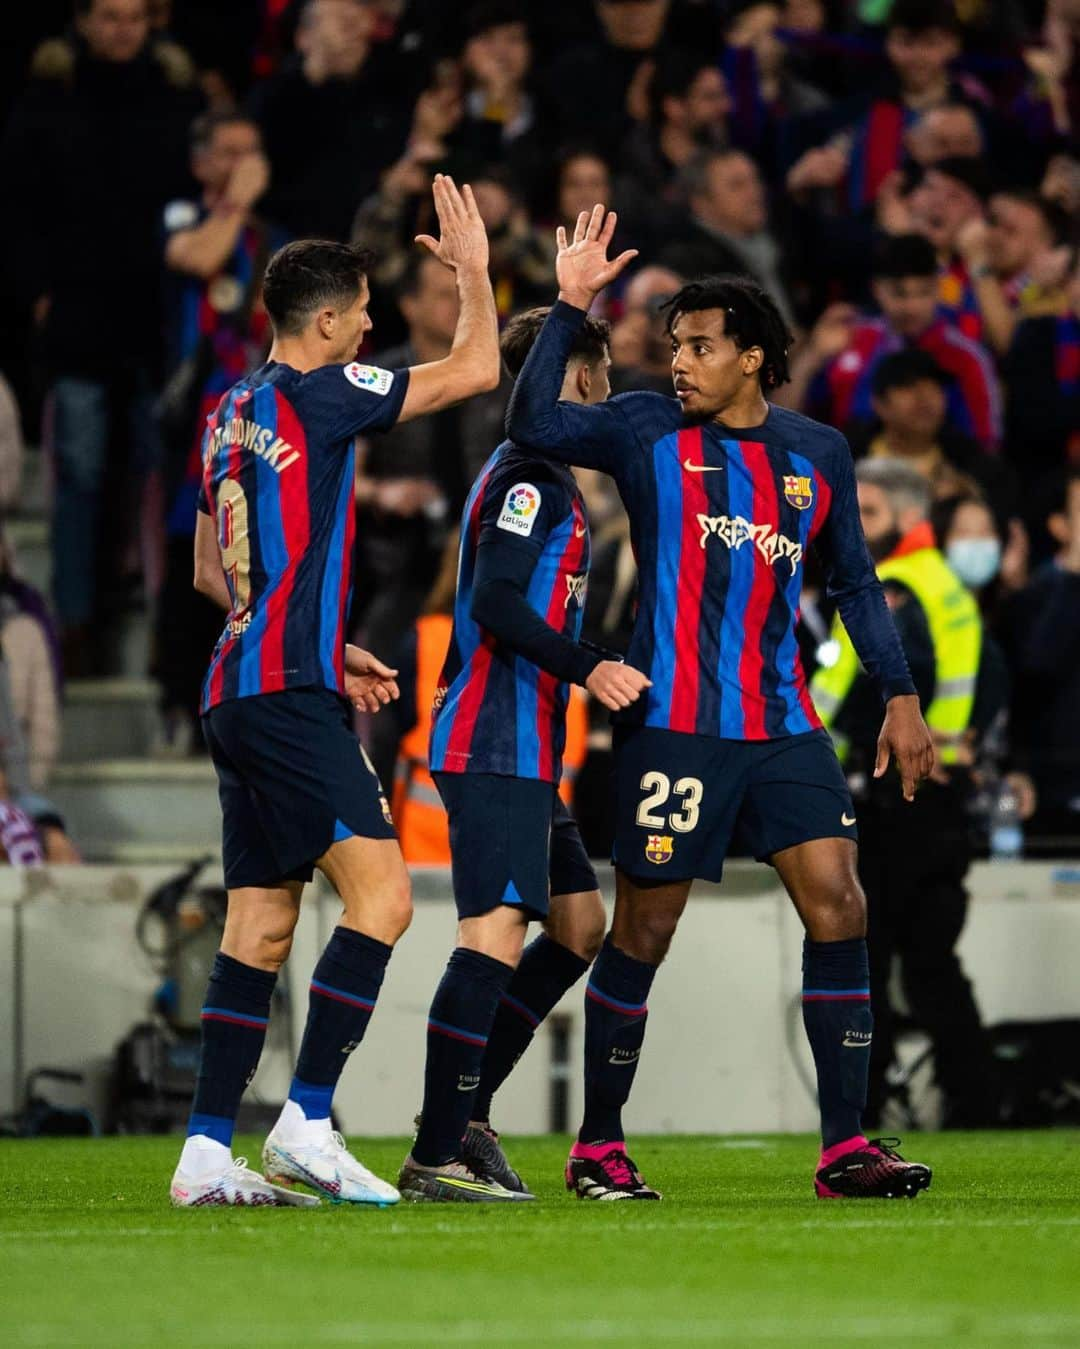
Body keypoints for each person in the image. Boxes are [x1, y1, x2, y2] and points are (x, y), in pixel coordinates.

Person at [508, 207, 935, 1200]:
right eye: (673, 346)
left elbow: (858, 585)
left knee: (840, 903)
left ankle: (843, 1146)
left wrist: (901, 694)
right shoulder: (645, 429)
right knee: (643, 933)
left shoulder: (817, 452)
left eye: (700, 346)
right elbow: (531, 421)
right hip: (675, 730)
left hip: (783, 724)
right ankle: (598, 1145)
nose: (681, 363)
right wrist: (571, 305)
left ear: (754, 356)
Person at [170, 175, 501, 1208]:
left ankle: (204, 1151)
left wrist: (322, 638)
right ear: (325, 322)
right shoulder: (322, 391)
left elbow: (208, 571)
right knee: (387, 897)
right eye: (362, 314)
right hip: (285, 695)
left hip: (236, 683)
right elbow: (478, 368)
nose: (372, 327)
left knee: (260, 926)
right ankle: (308, 1117)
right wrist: (476, 273)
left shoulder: (231, 410)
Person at [398, 305, 649, 1202]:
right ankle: (437, 1147)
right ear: (577, 376)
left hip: (526, 746)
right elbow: (499, 603)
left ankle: (466, 1115)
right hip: (494, 736)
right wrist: (593, 668)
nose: (608, 392)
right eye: (604, 373)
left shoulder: (543, 478)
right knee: (494, 936)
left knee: (578, 927)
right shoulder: (530, 483)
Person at [1, 0, 199, 669]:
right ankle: (77, 620)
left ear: (151, 23)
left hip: (156, 324)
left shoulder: (175, 102)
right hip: (78, 322)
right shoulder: (47, 103)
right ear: (83, 20)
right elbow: (19, 208)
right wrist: (37, 295)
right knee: (80, 471)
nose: (121, 29)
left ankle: (152, 625)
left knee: (154, 476)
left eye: (133, 17)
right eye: (109, 16)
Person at [811, 459, 1003, 1127]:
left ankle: (864, 1105)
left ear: (908, 516)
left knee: (872, 952)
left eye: (867, 512)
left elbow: (843, 691)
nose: (853, 526)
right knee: (931, 964)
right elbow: (991, 680)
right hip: (940, 800)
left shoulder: (891, 590)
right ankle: (976, 1098)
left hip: (896, 798)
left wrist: (804, 756)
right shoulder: (946, 586)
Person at [155, 109, 288, 753]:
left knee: (253, 556)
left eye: (252, 151)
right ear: (203, 162)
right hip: (193, 425)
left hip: (259, 421)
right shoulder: (184, 218)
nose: (244, 164)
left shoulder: (270, 236)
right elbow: (199, 258)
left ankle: (243, 698)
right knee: (193, 557)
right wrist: (236, 201)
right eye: (228, 152)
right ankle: (177, 701)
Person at [779, 233, 1002, 453]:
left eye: (923, 293)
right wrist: (812, 357)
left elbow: (986, 447)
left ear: (938, 290)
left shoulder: (967, 358)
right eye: (900, 293)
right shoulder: (849, 339)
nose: (911, 307)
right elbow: (779, 425)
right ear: (877, 289)